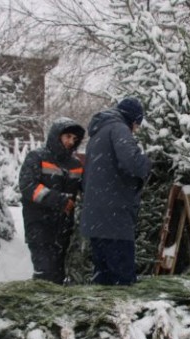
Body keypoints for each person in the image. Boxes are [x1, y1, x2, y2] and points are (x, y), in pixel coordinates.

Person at [80, 97, 152, 285]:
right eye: (137, 125)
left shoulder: (98, 133)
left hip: (97, 218)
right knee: (122, 279)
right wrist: (149, 162)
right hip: (114, 218)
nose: (135, 130)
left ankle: (104, 313)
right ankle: (123, 313)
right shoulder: (119, 128)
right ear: (133, 120)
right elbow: (132, 162)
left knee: (103, 276)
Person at [19, 117, 85, 284]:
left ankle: (54, 308)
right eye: (67, 136)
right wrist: (59, 200)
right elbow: (28, 187)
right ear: (57, 136)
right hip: (39, 225)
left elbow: (84, 187)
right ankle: (38, 306)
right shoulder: (37, 157)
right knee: (44, 274)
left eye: (74, 139)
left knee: (58, 274)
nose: (71, 141)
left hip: (63, 228)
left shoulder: (75, 164)